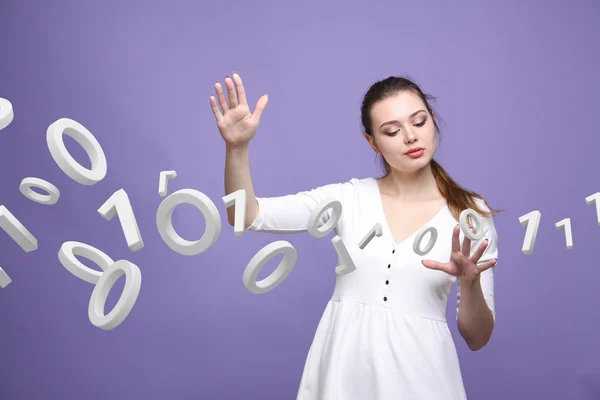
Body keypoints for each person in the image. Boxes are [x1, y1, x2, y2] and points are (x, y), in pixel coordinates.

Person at [210, 72, 501, 400]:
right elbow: (246, 214)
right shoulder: (349, 198)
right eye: (392, 130)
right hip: (343, 375)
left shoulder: (470, 215)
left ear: (433, 121)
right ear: (372, 142)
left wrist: (470, 282)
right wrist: (237, 148)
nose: (410, 137)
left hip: (424, 378)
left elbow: (477, 338)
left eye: (419, 122)